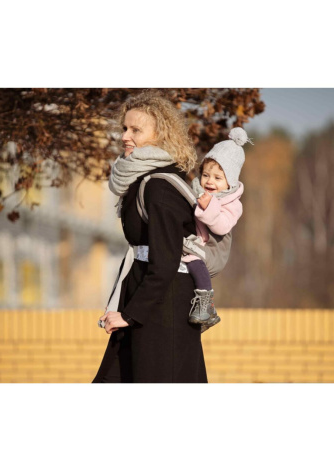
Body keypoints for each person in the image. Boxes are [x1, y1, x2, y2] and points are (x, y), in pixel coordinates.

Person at [92, 90, 208, 383]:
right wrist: (122, 306)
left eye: (136, 130)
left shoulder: (159, 188)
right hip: (145, 303)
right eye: (124, 128)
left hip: (163, 313)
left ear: (160, 135)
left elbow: (165, 263)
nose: (124, 136)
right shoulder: (141, 181)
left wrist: (130, 315)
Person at [181, 128, 248, 333]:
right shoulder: (198, 192)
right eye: (206, 175)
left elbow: (222, 225)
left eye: (218, 178)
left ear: (230, 182)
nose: (210, 181)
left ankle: (206, 303)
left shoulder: (233, 204)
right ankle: (197, 311)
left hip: (215, 252)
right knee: (186, 257)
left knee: (192, 257)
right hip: (200, 245)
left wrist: (208, 207)